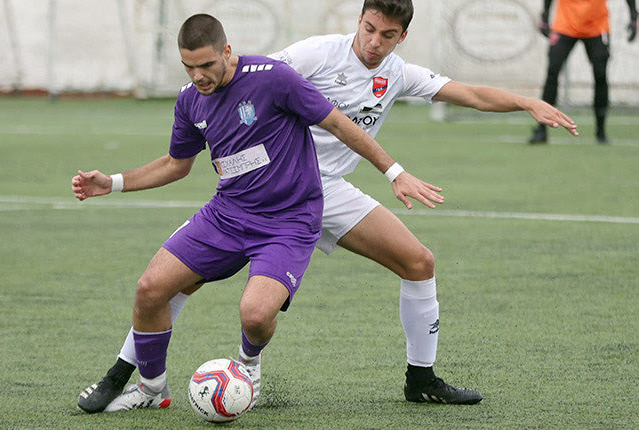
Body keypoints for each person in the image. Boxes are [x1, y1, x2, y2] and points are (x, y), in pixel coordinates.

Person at [81, 1, 579, 411]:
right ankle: (131, 375)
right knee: (172, 281)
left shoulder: (398, 74)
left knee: (418, 262)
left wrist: (526, 102)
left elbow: (467, 92)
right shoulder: (316, 55)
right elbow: (252, 81)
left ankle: (420, 378)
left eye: (386, 34)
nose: (373, 42)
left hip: (326, 193)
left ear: (401, 37)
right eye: (368, 29)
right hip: (262, 188)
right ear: (358, 22)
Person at [73, 12, 443, 413]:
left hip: (289, 220)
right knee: (150, 289)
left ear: (227, 52)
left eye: (207, 65)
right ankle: (151, 390)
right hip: (228, 214)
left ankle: (248, 365)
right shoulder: (189, 100)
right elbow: (176, 164)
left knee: (254, 315)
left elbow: (337, 123)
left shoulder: (274, 78)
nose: (199, 76)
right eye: (189, 67)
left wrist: (394, 172)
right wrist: (113, 182)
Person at [529, 0, 637, 144]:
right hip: (565, 25)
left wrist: (633, 16)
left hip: (597, 27)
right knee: (552, 71)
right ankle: (542, 129)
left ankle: (601, 131)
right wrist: (545, 16)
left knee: (600, 75)